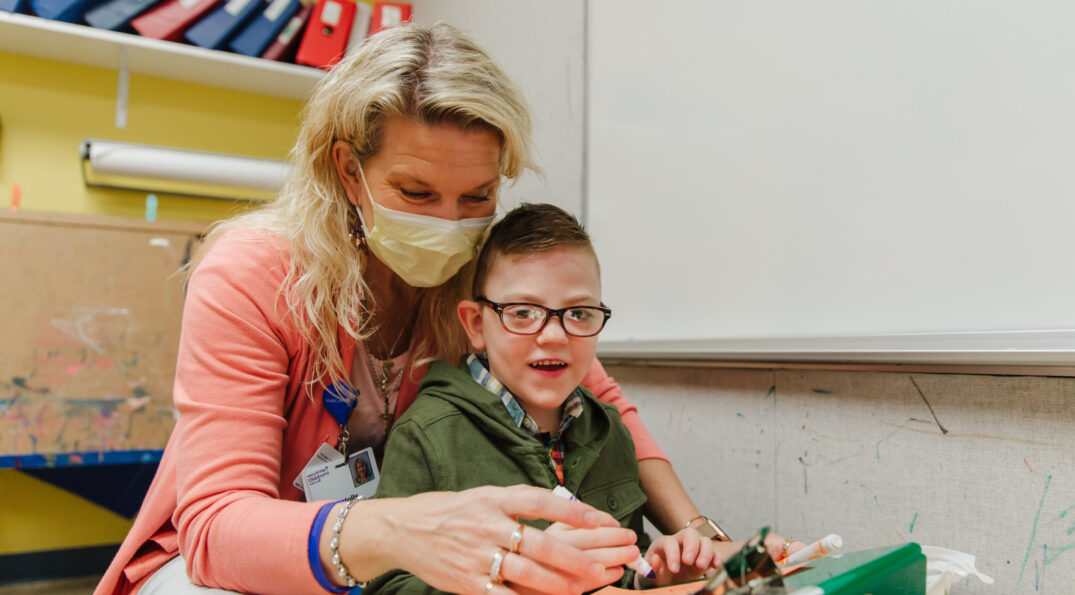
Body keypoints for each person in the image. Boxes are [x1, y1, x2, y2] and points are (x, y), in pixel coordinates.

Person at [96, 22, 753, 595]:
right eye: (415, 191)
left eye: (477, 196)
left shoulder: (481, 279)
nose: (450, 224)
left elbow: (594, 387)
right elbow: (218, 527)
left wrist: (696, 534)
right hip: (234, 569)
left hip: (397, 565)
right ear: (349, 172)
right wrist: (406, 530)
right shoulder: (254, 273)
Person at [366, 204, 720, 594]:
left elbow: (620, 570)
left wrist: (655, 574)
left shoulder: (610, 430)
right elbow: (387, 587)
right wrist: (518, 579)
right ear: (475, 324)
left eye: (580, 313)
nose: (554, 336)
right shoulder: (427, 437)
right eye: (522, 312)